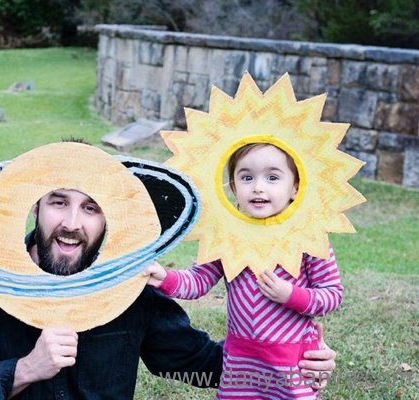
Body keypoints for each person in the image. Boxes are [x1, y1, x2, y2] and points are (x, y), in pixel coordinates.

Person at [0, 187, 338, 400]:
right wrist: (26, 369)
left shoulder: (128, 284)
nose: (72, 223)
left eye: (91, 208)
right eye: (58, 202)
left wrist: (285, 362)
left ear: (109, 220)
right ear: (35, 207)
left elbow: (192, 364)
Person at [144, 143, 343, 399]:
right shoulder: (227, 236)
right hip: (240, 359)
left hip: (291, 362)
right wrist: (166, 279)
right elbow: (199, 280)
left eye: (272, 177)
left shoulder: (309, 238)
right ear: (234, 187)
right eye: (247, 177)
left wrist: (291, 295)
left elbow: (332, 295)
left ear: (295, 187)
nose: (258, 187)